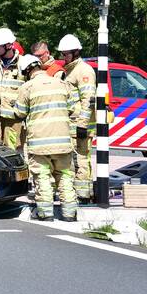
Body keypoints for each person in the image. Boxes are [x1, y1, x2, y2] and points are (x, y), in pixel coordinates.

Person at [14, 55, 81, 221]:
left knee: (42, 177)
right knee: (65, 176)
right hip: (63, 143)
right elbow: (73, 108)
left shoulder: (27, 87)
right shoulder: (62, 84)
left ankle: (45, 214)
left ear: (27, 70)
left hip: (39, 145)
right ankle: (69, 214)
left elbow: (19, 112)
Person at [58, 34, 96, 202]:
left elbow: (89, 99)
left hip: (80, 125)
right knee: (74, 160)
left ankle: (83, 196)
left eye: (66, 54)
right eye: (62, 54)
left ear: (75, 52)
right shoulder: (70, 70)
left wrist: (82, 125)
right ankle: (79, 193)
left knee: (81, 159)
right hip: (71, 124)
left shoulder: (84, 70)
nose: (63, 57)